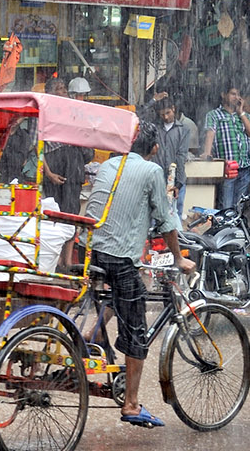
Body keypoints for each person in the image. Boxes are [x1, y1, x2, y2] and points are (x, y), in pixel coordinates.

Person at [83, 125, 194, 428]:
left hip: (93, 252)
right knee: (137, 329)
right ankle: (131, 404)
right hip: (119, 256)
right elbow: (166, 219)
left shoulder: (109, 164)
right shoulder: (151, 170)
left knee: (122, 291)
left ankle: (90, 334)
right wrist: (177, 257)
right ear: (155, 148)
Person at [202, 85, 250, 209]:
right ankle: (226, 228)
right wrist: (207, 153)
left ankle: (235, 228)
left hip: (244, 168)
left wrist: (241, 113)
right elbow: (210, 134)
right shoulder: (214, 115)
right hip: (227, 168)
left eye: (238, 95)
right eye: (233, 94)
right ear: (223, 94)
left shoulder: (244, 116)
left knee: (239, 207)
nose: (236, 98)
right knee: (226, 206)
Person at [40, 77, 88, 214]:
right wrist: (49, 174)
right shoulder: (42, 113)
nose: (64, 91)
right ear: (50, 94)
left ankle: (71, 234)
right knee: (53, 210)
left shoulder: (73, 110)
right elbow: (37, 147)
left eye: (64, 88)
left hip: (73, 165)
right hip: (54, 164)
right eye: (59, 89)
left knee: (71, 209)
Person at [150, 97, 191, 216]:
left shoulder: (183, 130)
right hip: (157, 179)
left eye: (168, 113)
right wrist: (153, 100)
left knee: (175, 214)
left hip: (177, 180)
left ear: (173, 109)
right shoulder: (154, 129)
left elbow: (181, 156)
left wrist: (177, 184)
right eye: (162, 115)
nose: (166, 117)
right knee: (155, 214)